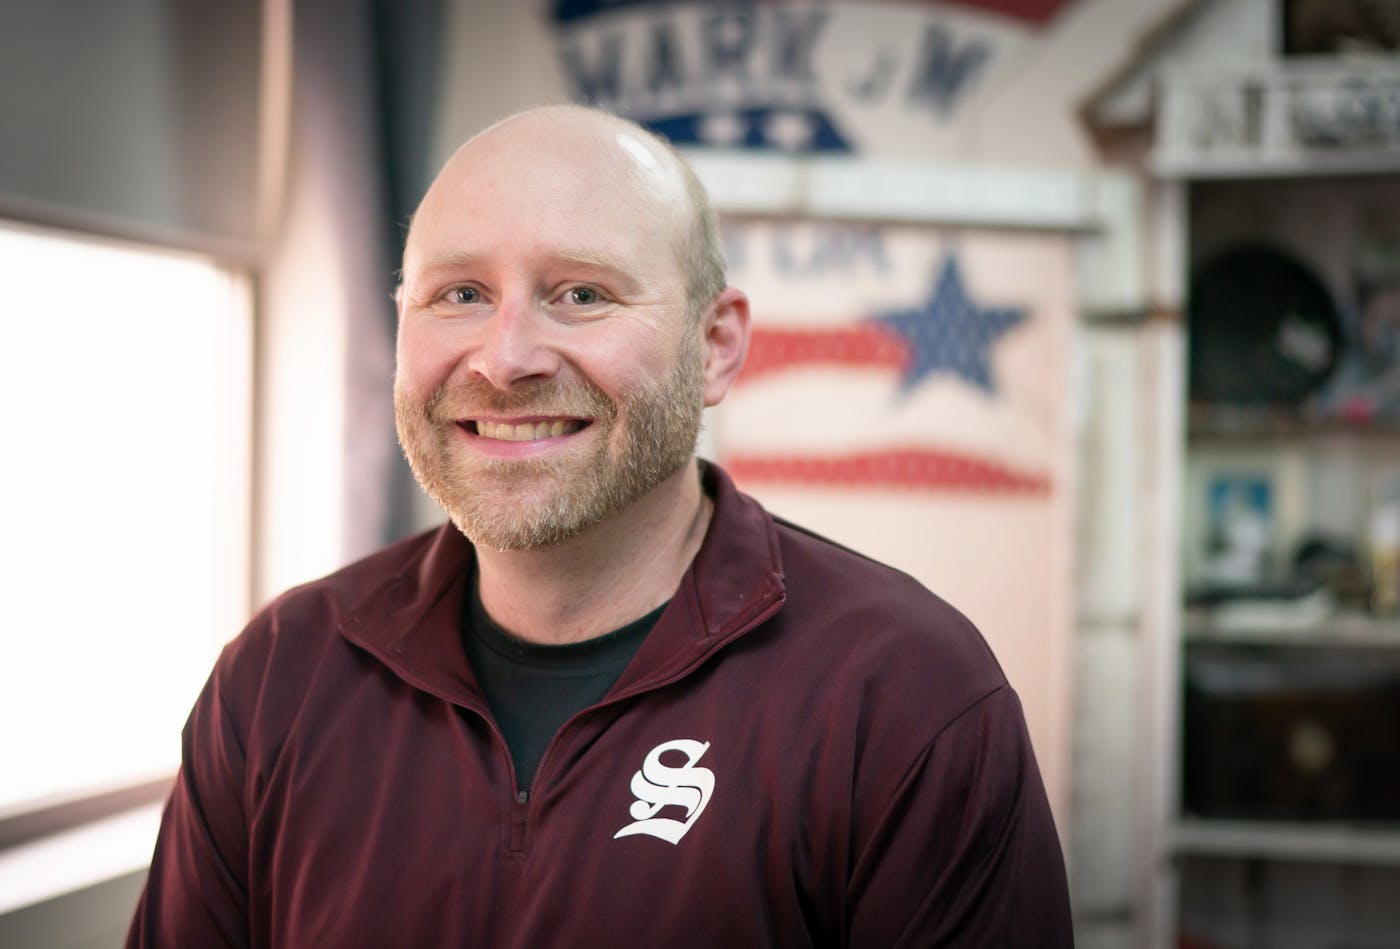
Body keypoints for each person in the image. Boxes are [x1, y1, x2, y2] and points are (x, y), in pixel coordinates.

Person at [128, 104, 1074, 947]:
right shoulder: (281, 674)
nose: (505, 360)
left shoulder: (907, 695)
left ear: (715, 347)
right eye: (459, 293)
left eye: (581, 293)